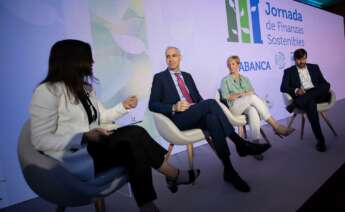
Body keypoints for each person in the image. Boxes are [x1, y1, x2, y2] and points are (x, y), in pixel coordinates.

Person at [29, 40, 200, 212]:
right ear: (72, 61)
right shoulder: (47, 92)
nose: (92, 63)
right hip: (76, 156)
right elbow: (40, 140)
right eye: (88, 58)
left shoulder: (86, 89)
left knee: (135, 140)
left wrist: (123, 106)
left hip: (97, 145)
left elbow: (101, 116)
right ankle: (171, 178)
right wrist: (84, 136)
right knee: (135, 137)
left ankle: (150, 204)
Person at [149, 46, 271, 193]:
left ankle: (229, 171)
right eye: (167, 56)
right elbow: (153, 104)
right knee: (211, 103)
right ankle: (240, 143)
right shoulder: (160, 78)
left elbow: (198, 98)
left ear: (180, 57)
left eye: (174, 55)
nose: (170, 59)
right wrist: (174, 107)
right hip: (178, 119)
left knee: (212, 118)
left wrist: (201, 107)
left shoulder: (187, 76)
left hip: (194, 113)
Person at [220, 55, 294, 160]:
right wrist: (242, 94)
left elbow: (252, 92)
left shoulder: (245, 79)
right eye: (229, 64)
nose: (230, 66)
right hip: (234, 108)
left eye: (233, 64)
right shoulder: (225, 80)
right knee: (252, 98)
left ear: (238, 65)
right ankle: (276, 126)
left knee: (253, 110)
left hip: (247, 105)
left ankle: (256, 146)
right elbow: (226, 97)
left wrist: (247, 94)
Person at [280, 48, 331, 152]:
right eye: (299, 60)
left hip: (317, 94)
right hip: (304, 96)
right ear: (294, 59)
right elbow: (283, 87)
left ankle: (296, 103)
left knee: (326, 85)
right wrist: (296, 90)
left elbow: (324, 83)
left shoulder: (314, 67)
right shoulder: (289, 71)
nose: (302, 62)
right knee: (310, 104)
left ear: (306, 58)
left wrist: (310, 93)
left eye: (303, 59)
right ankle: (320, 141)